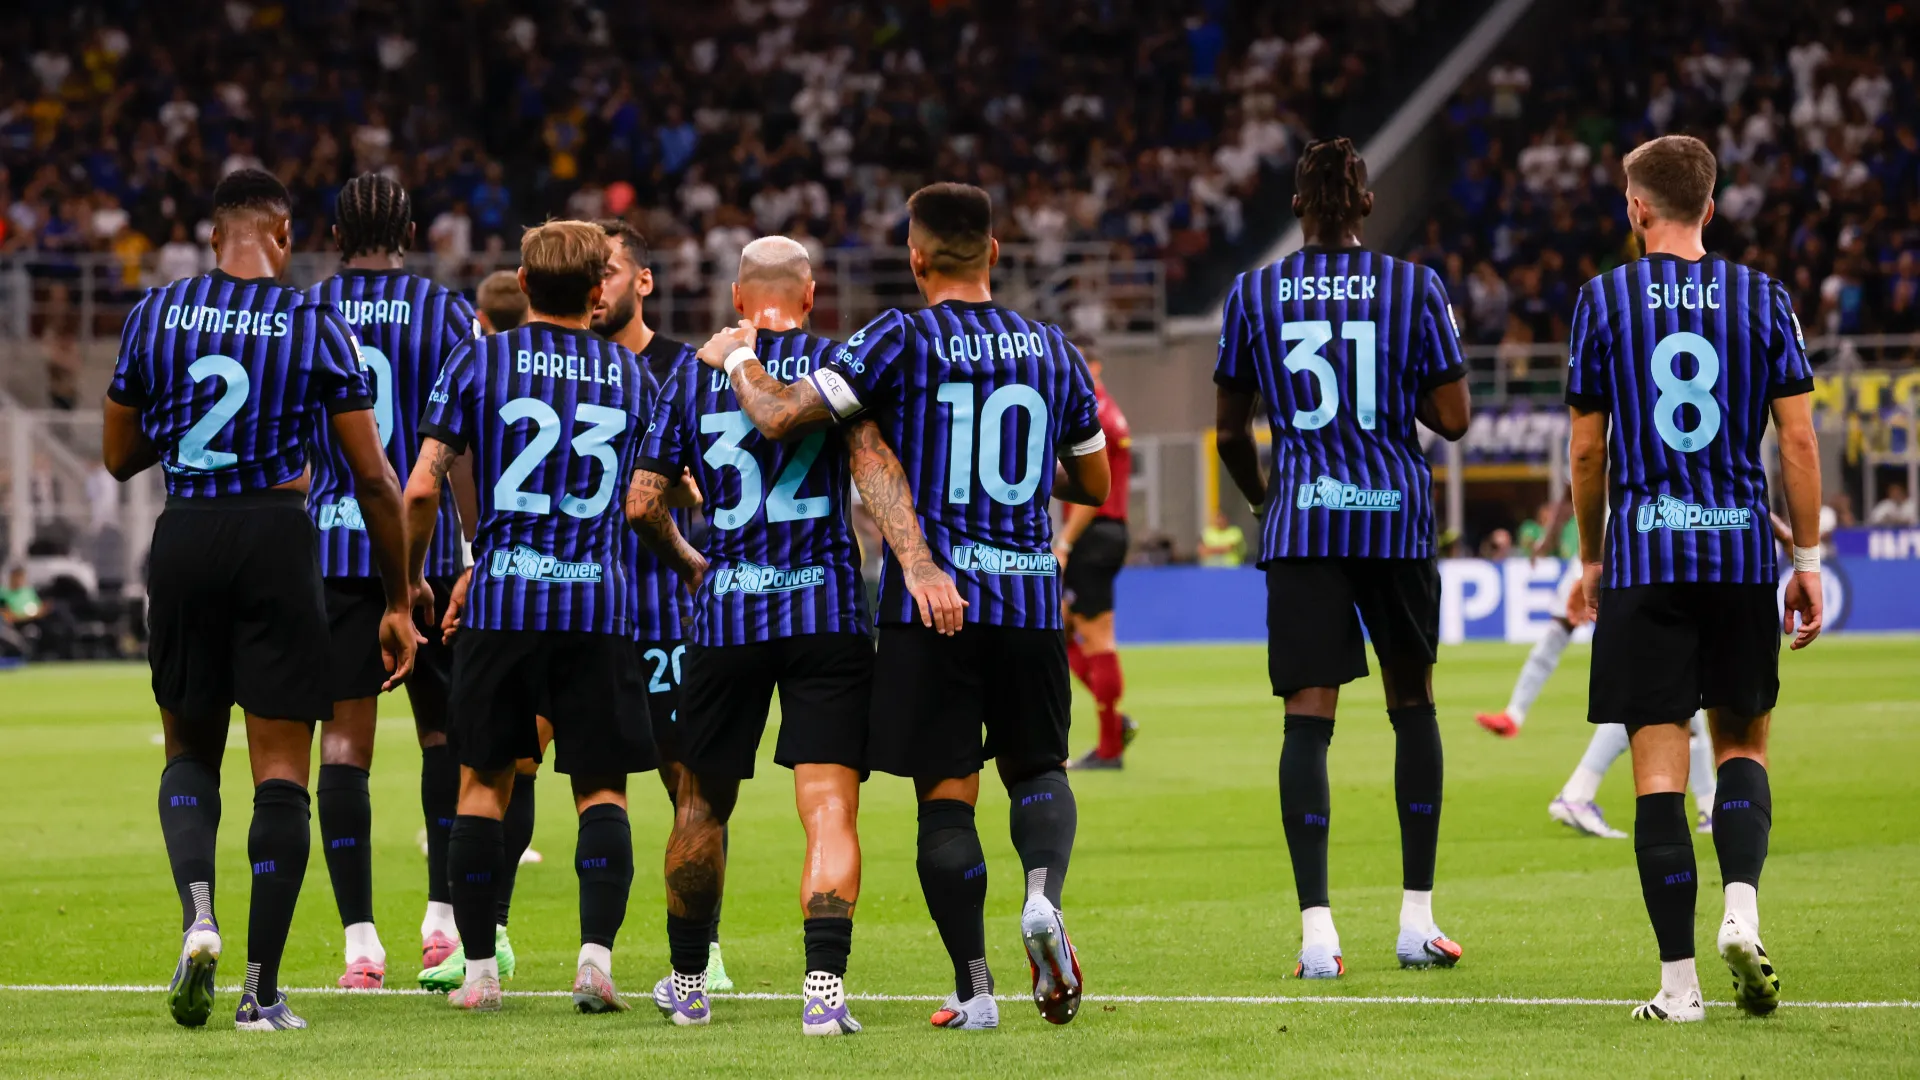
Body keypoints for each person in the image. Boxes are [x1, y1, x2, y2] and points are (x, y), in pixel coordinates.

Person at [699, 183, 1111, 1030]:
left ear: (915, 258)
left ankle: (975, 988)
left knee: (945, 800)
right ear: (994, 252)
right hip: (1030, 598)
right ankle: (1042, 895)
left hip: (933, 602)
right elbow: (1095, 482)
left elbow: (779, 416)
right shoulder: (1055, 349)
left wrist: (738, 357)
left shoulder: (897, 337)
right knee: (1038, 769)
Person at [102, 168, 418, 1031]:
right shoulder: (316, 321)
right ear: (283, 235)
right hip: (278, 538)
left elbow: (119, 457)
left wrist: (181, 428)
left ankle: (198, 916)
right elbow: (375, 478)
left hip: (187, 533)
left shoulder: (155, 313)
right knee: (280, 770)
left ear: (214, 236)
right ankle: (259, 991)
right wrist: (397, 599)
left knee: (188, 751)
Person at [633, 236, 964, 1035]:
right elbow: (873, 468)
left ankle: (689, 985)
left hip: (728, 615)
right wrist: (915, 561)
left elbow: (642, 504)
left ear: (738, 300)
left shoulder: (692, 374)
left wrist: (692, 564)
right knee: (828, 807)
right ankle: (822, 993)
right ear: (811, 297)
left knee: (700, 804)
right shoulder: (832, 366)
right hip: (826, 613)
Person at [407, 220, 699, 1013]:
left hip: (502, 602)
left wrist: (413, 583)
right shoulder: (635, 376)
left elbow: (424, 486)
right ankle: (595, 964)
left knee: (483, 784)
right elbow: (662, 493)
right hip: (600, 606)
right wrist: (688, 556)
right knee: (602, 790)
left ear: (526, 284)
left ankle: (479, 975)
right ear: (598, 291)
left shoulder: (479, 360)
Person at [1565, 134, 1822, 1022]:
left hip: (1645, 558)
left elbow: (1589, 449)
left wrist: (1592, 556)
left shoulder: (1602, 300)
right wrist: (1806, 562)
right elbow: (1797, 441)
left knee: (1658, 772)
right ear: (1710, 207)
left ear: (1637, 208)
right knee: (1742, 746)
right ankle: (1741, 912)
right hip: (1741, 554)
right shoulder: (1765, 297)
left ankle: (1679, 988)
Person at [1213, 137, 1473, 979]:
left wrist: (1265, 500)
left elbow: (1228, 433)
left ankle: (1318, 936)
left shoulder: (1254, 292)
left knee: (1307, 721)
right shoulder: (1414, 287)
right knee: (1413, 706)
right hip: (1395, 521)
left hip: (1304, 525)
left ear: (1296, 205)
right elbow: (1455, 419)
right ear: (1366, 203)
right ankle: (1417, 922)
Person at [305, 173, 480, 990]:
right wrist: (472, 546)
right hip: (429, 546)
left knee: (344, 744)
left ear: (336, 235)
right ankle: (441, 923)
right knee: (443, 734)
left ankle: (360, 946)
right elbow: (462, 444)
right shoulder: (445, 311)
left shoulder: (307, 311)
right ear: (410, 232)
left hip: (337, 552)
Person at [1479, 492, 1718, 840]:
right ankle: (1577, 794)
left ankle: (1709, 806)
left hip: (1628, 556)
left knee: (1674, 691)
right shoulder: (1638, 479)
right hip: (1634, 561)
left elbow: (1578, 482)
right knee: (1655, 692)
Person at [1058, 352, 1138, 769]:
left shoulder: (1096, 418)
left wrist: (1065, 543)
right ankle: (1113, 723)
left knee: (1097, 636)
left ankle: (1110, 747)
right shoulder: (1112, 411)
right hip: (1109, 532)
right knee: (1061, 627)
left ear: (1096, 366)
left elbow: (1090, 493)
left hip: (1091, 534)